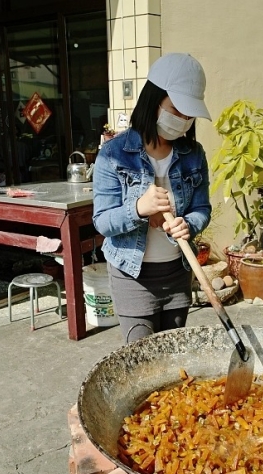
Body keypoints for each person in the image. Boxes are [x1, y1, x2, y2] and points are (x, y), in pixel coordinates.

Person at [92, 53, 213, 343]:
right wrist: (138, 209)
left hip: (177, 270)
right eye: (176, 110)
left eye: (188, 114)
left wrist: (190, 224)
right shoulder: (113, 154)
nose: (183, 120)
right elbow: (102, 222)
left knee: (173, 358)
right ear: (153, 100)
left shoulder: (193, 154)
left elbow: (201, 208)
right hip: (132, 276)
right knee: (141, 361)